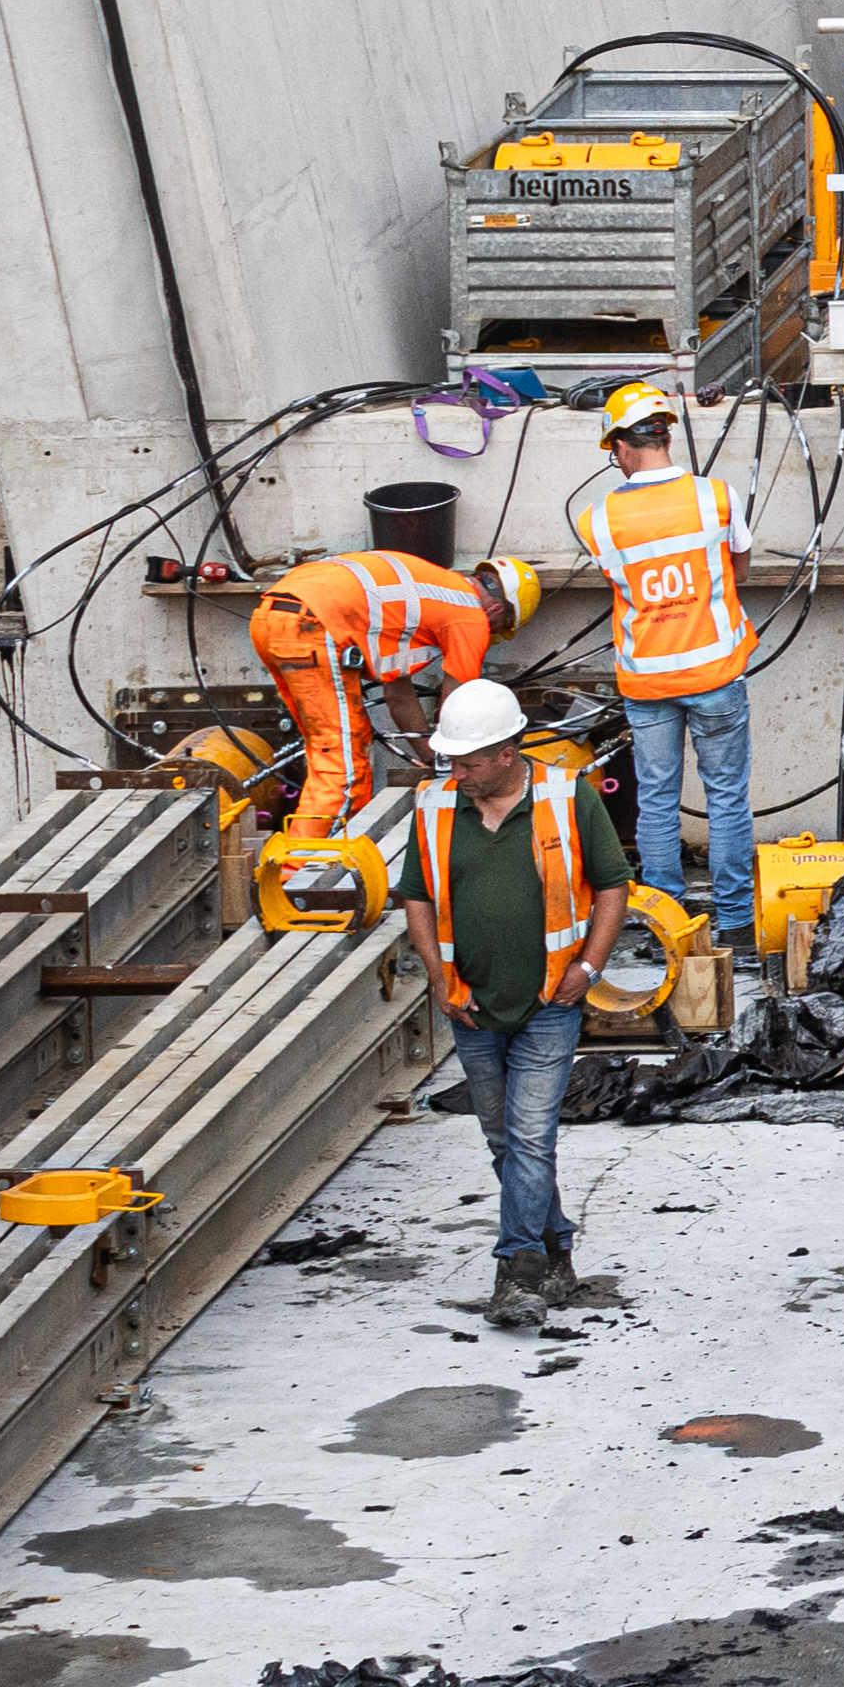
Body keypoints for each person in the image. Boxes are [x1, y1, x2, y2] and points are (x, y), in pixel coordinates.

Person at [393, 678, 618, 1316]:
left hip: (550, 1002)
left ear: (507, 753)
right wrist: (438, 977)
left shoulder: (568, 795)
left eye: (467, 762)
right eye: (451, 761)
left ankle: (516, 1270)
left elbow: (611, 885)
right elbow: (416, 895)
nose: (455, 772)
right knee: (503, 1139)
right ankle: (557, 1248)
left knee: (529, 1136)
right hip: (472, 1005)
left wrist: (592, 966)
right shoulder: (435, 806)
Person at [575, 381, 765, 912]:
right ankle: (733, 919)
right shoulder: (716, 497)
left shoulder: (597, 521)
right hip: (716, 675)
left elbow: (623, 584)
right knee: (726, 798)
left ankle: (665, 919)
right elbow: (740, 570)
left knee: (656, 801)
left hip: (648, 682)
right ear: (665, 436)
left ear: (620, 445)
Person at [249, 539, 506, 847]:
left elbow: (399, 696)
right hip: (314, 623)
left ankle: (305, 859)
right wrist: (456, 761)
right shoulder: (469, 613)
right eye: (500, 628)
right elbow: (454, 709)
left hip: (272, 617)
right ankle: (301, 874)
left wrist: (431, 758)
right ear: (496, 609)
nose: (490, 636)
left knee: (327, 749)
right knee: (345, 770)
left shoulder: (426, 591)